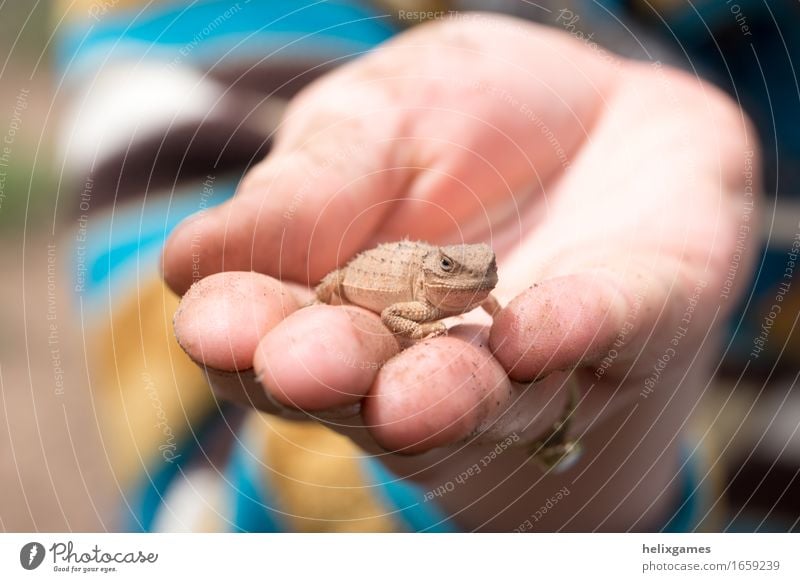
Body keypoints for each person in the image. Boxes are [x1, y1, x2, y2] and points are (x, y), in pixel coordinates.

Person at [62, 2, 758, 531]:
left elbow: (488, 295)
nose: (480, 284)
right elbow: (204, 501)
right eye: (466, 273)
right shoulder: (199, 38)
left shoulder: (474, 285)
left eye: (483, 275)